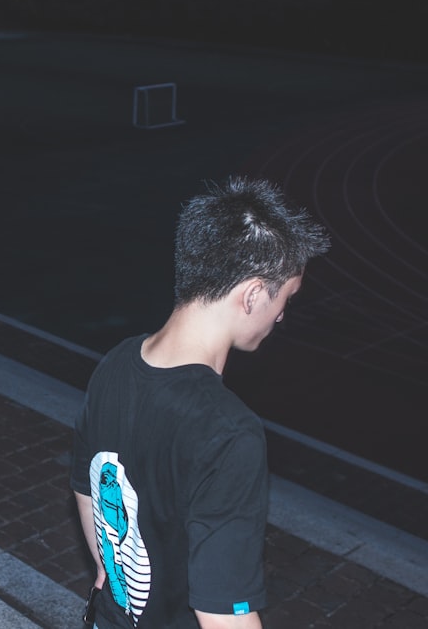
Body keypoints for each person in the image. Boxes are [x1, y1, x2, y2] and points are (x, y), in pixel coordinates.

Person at [71, 177, 330, 629]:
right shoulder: (227, 431)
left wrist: (107, 572)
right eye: (285, 299)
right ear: (252, 295)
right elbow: (222, 613)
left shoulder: (114, 363)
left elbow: (86, 484)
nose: (282, 314)